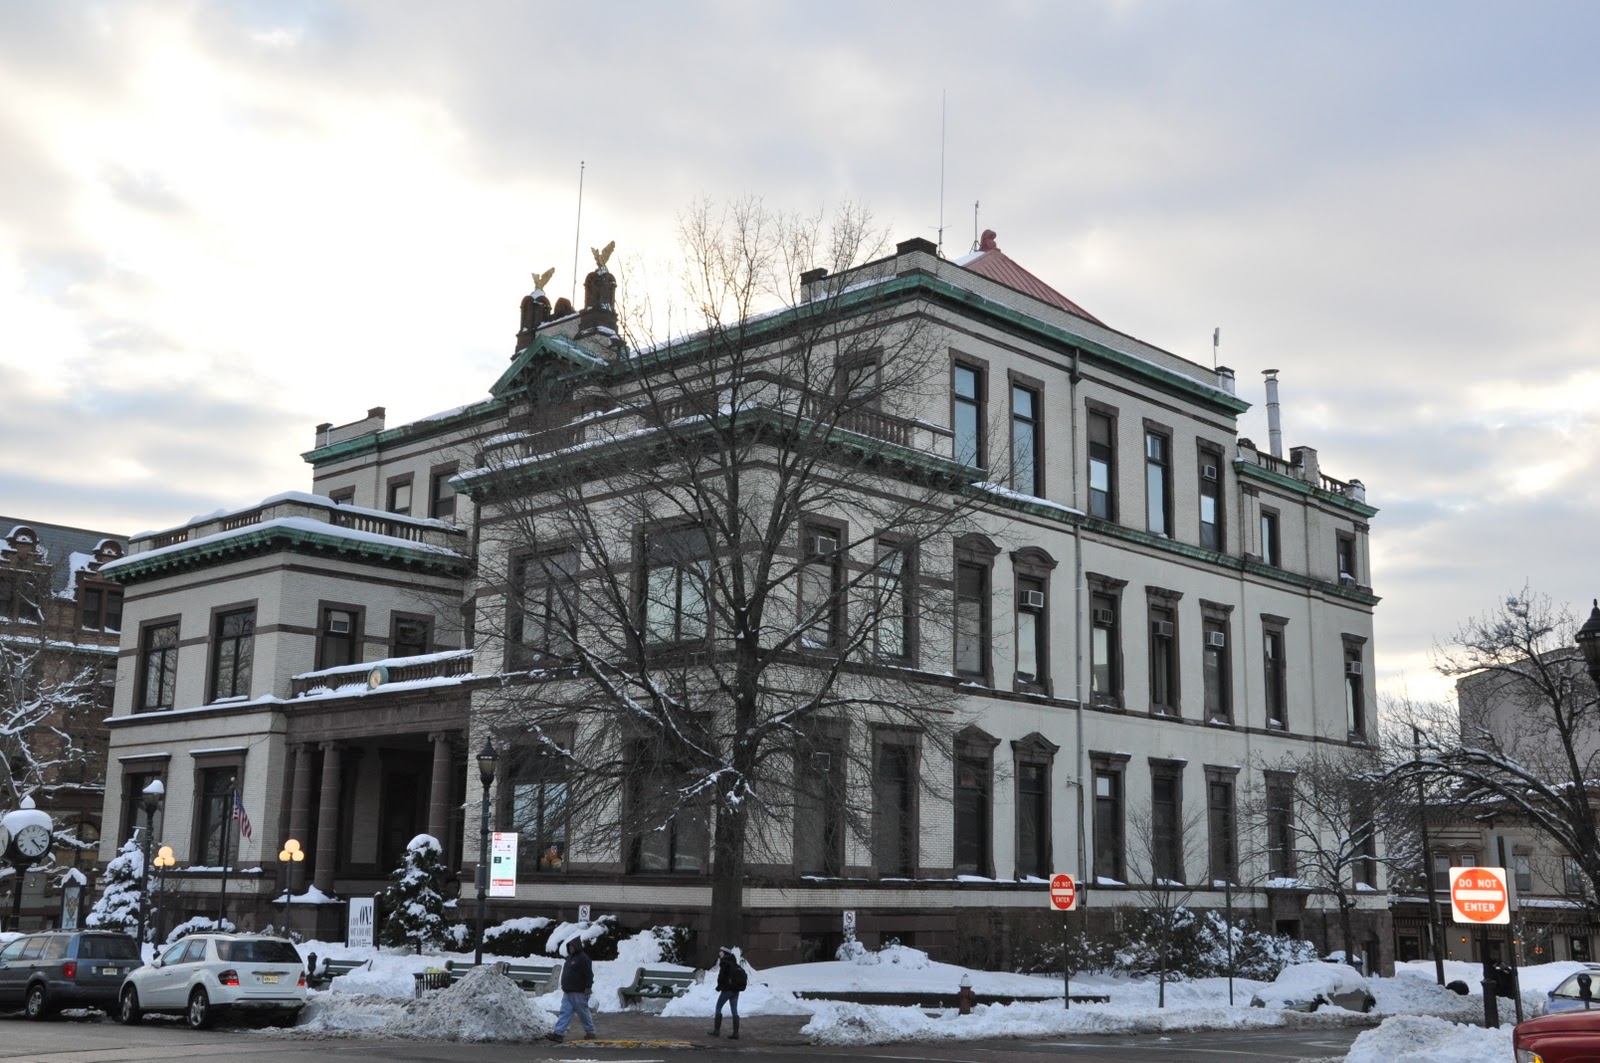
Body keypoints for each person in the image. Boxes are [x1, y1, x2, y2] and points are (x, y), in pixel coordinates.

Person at [546, 937, 596, 1042]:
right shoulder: (570, 958)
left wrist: (588, 987)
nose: (570, 948)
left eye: (572, 946)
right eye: (569, 947)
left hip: (579, 991)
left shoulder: (583, 958)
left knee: (583, 1013)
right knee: (565, 1012)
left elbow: (589, 974)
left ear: (577, 946)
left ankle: (590, 1032)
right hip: (568, 991)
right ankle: (558, 1033)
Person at [707, 945, 746, 1039]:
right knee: (734, 1011)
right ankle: (735, 1033)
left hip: (727, 990)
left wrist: (719, 986)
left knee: (718, 1008)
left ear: (725, 953)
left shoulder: (724, 963)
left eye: (721, 952)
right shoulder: (734, 962)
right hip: (735, 991)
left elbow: (721, 977)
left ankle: (716, 1031)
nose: (719, 953)